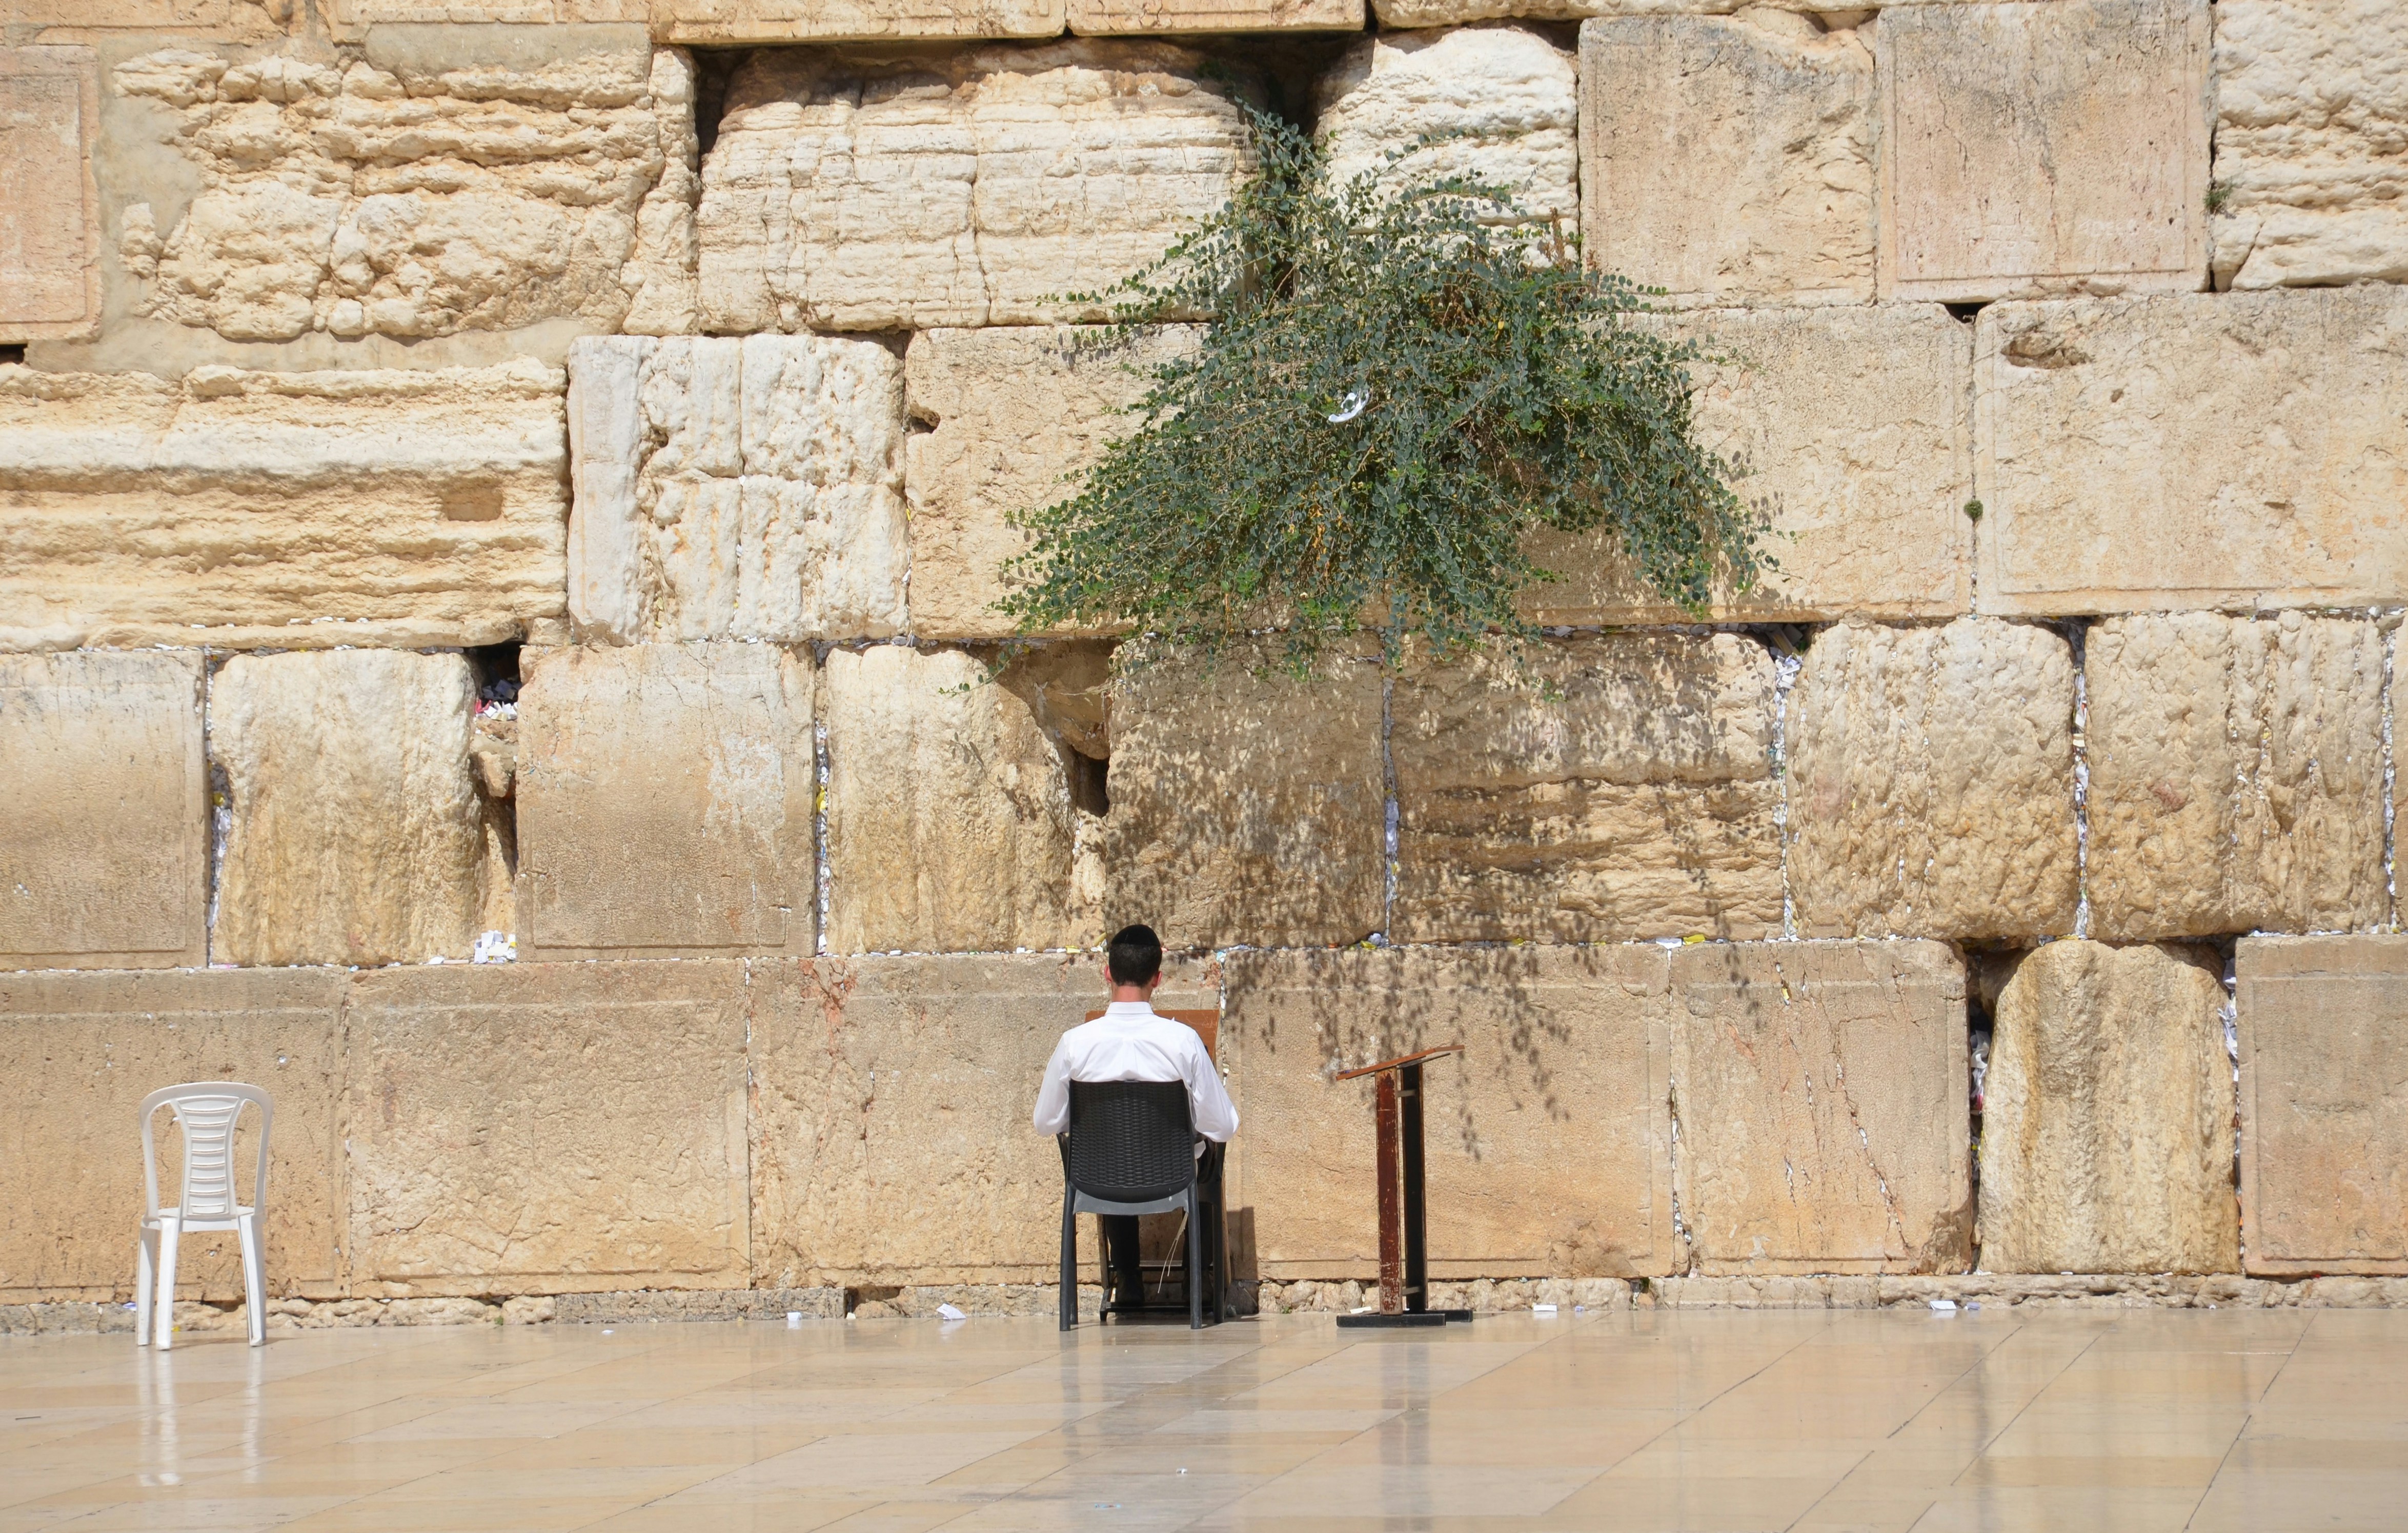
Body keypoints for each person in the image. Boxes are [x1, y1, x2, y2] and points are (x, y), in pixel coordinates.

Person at [1032, 923, 1237, 1310]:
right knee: (1207, 1154)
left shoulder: (1074, 1044)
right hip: (1173, 1172)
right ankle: (1197, 1284)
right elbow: (1222, 1125)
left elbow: (1045, 1123)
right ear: (1157, 979)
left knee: (1112, 1152)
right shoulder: (1183, 1041)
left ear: (1107, 973)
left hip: (1096, 1177)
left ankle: (1127, 1281)